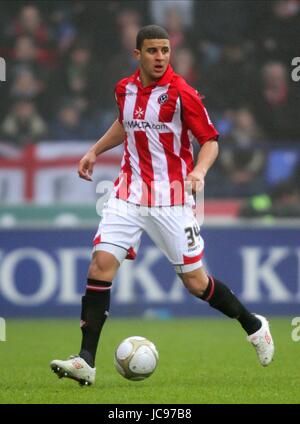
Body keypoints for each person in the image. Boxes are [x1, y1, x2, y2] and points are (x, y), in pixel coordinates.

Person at [50, 25, 274, 386]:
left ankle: (253, 325)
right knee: (101, 264)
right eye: (152, 51)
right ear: (137, 54)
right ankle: (86, 360)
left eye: (165, 51)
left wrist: (199, 170)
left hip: (171, 198)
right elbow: (126, 125)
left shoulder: (182, 93)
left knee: (196, 283)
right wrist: (94, 150)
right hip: (128, 192)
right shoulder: (124, 89)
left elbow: (210, 140)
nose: (160, 57)